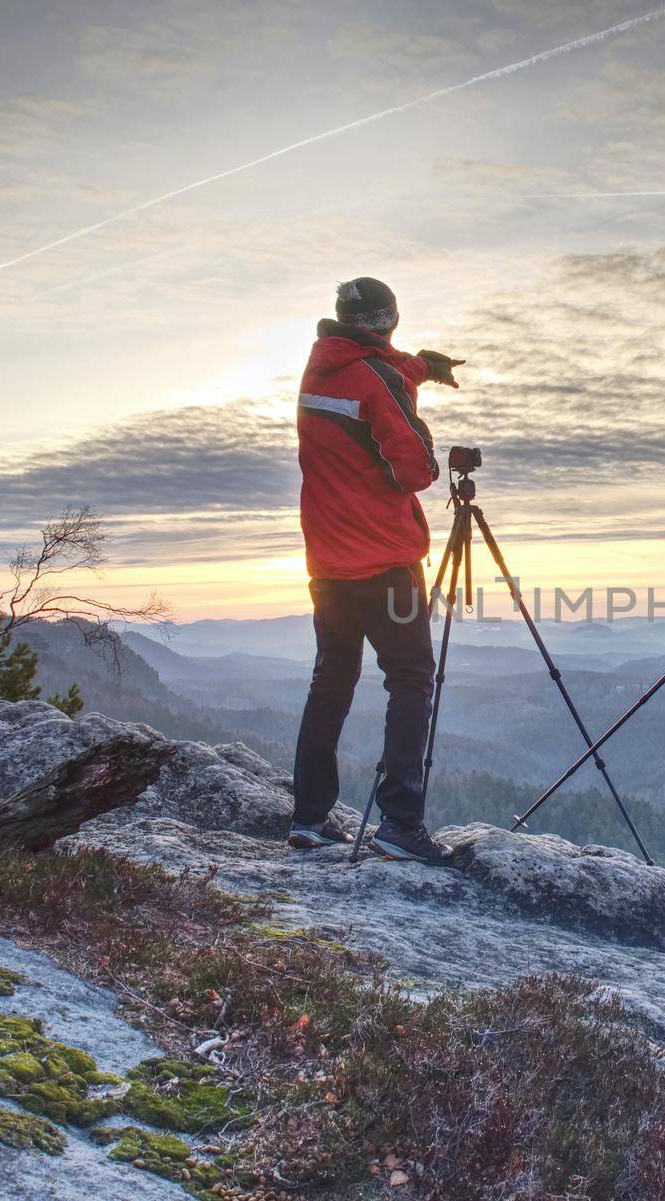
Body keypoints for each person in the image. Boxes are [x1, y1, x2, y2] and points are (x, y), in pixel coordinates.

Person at [288, 276, 465, 864]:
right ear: (390, 319)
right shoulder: (376, 379)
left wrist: (416, 368)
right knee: (410, 678)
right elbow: (415, 468)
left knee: (331, 680)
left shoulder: (321, 370)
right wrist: (421, 426)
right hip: (386, 561)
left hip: (328, 562)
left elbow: (370, 384)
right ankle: (400, 823)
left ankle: (309, 817)